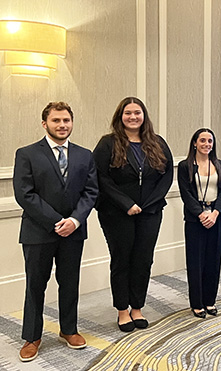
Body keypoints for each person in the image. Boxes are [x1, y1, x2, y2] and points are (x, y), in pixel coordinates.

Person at [13, 102, 98, 362]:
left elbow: (91, 191)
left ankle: (69, 329)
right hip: (38, 232)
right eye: (56, 121)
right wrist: (55, 221)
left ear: (72, 123)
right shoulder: (26, 153)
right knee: (35, 285)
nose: (62, 125)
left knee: (70, 282)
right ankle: (32, 336)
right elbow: (24, 194)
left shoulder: (85, 155)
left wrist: (74, 220)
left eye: (66, 121)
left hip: (73, 232)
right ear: (45, 124)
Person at [93, 97, 173, 332]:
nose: (133, 117)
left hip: (150, 212)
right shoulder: (107, 144)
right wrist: (126, 203)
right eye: (127, 113)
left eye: (137, 113)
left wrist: (149, 203)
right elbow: (100, 178)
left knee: (143, 260)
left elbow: (166, 175)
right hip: (116, 213)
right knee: (122, 260)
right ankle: (122, 310)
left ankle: (137, 307)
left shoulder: (157, 142)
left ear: (144, 116)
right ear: (120, 117)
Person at [178, 128, 221, 318]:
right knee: (196, 262)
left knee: (213, 261)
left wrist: (215, 213)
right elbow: (185, 194)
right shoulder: (185, 166)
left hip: (216, 217)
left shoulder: (219, 164)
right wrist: (201, 214)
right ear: (195, 143)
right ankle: (197, 303)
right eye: (203, 140)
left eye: (210, 141)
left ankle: (210, 301)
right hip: (195, 218)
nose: (207, 144)